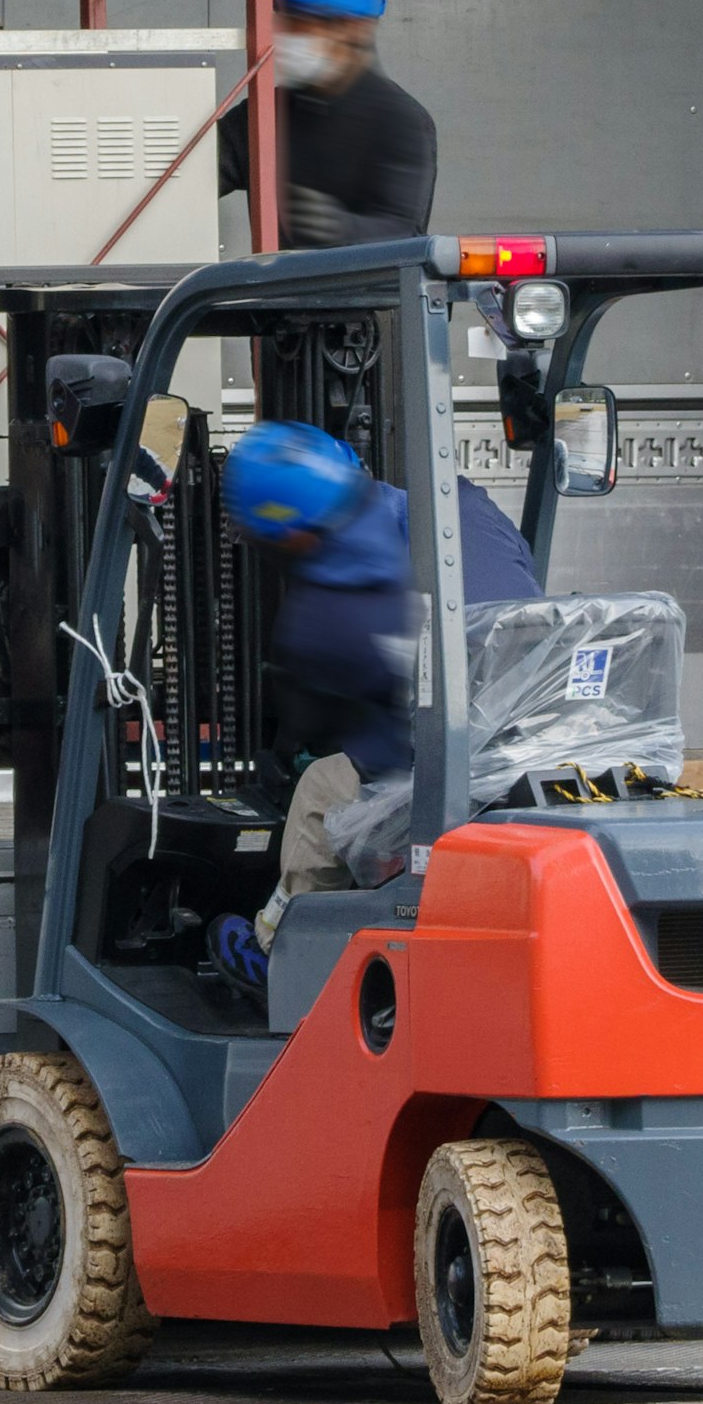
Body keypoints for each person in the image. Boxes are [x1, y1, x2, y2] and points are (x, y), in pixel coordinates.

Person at [203, 420, 534, 990]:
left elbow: (367, 751)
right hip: (543, 751)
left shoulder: (327, 611)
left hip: (459, 779)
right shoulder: (464, 504)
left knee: (319, 790)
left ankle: (278, 959)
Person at [218, 0, 437, 249]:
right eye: (285, 17)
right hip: (271, 297)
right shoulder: (263, 115)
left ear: (356, 26)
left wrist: (338, 227)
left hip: (368, 301)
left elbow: (403, 239)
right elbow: (187, 174)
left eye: (305, 21)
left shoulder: (400, 122)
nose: (289, 33)